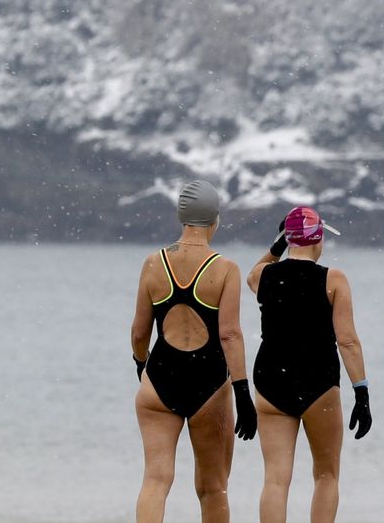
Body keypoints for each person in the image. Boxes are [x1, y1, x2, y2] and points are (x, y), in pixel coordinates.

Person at [129, 179, 255, 523]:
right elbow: (230, 334)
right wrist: (243, 393)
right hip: (208, 385)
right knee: (213, 488)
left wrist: (142, 366)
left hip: (159, 378)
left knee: (155, 480)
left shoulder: (154, 263)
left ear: (180, 217)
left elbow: (140, 331)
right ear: (215, 221)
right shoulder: (225, 269)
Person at [247, 206, 371, 523]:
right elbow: (348, 341)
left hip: (271, 379)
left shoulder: (265, 276)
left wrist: (278, 245)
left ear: (288, 240)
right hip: (318, 381)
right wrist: (362, 393)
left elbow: (252, 274)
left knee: (275, 478)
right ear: (318, 240)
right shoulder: (334, 279)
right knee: (326, 475)